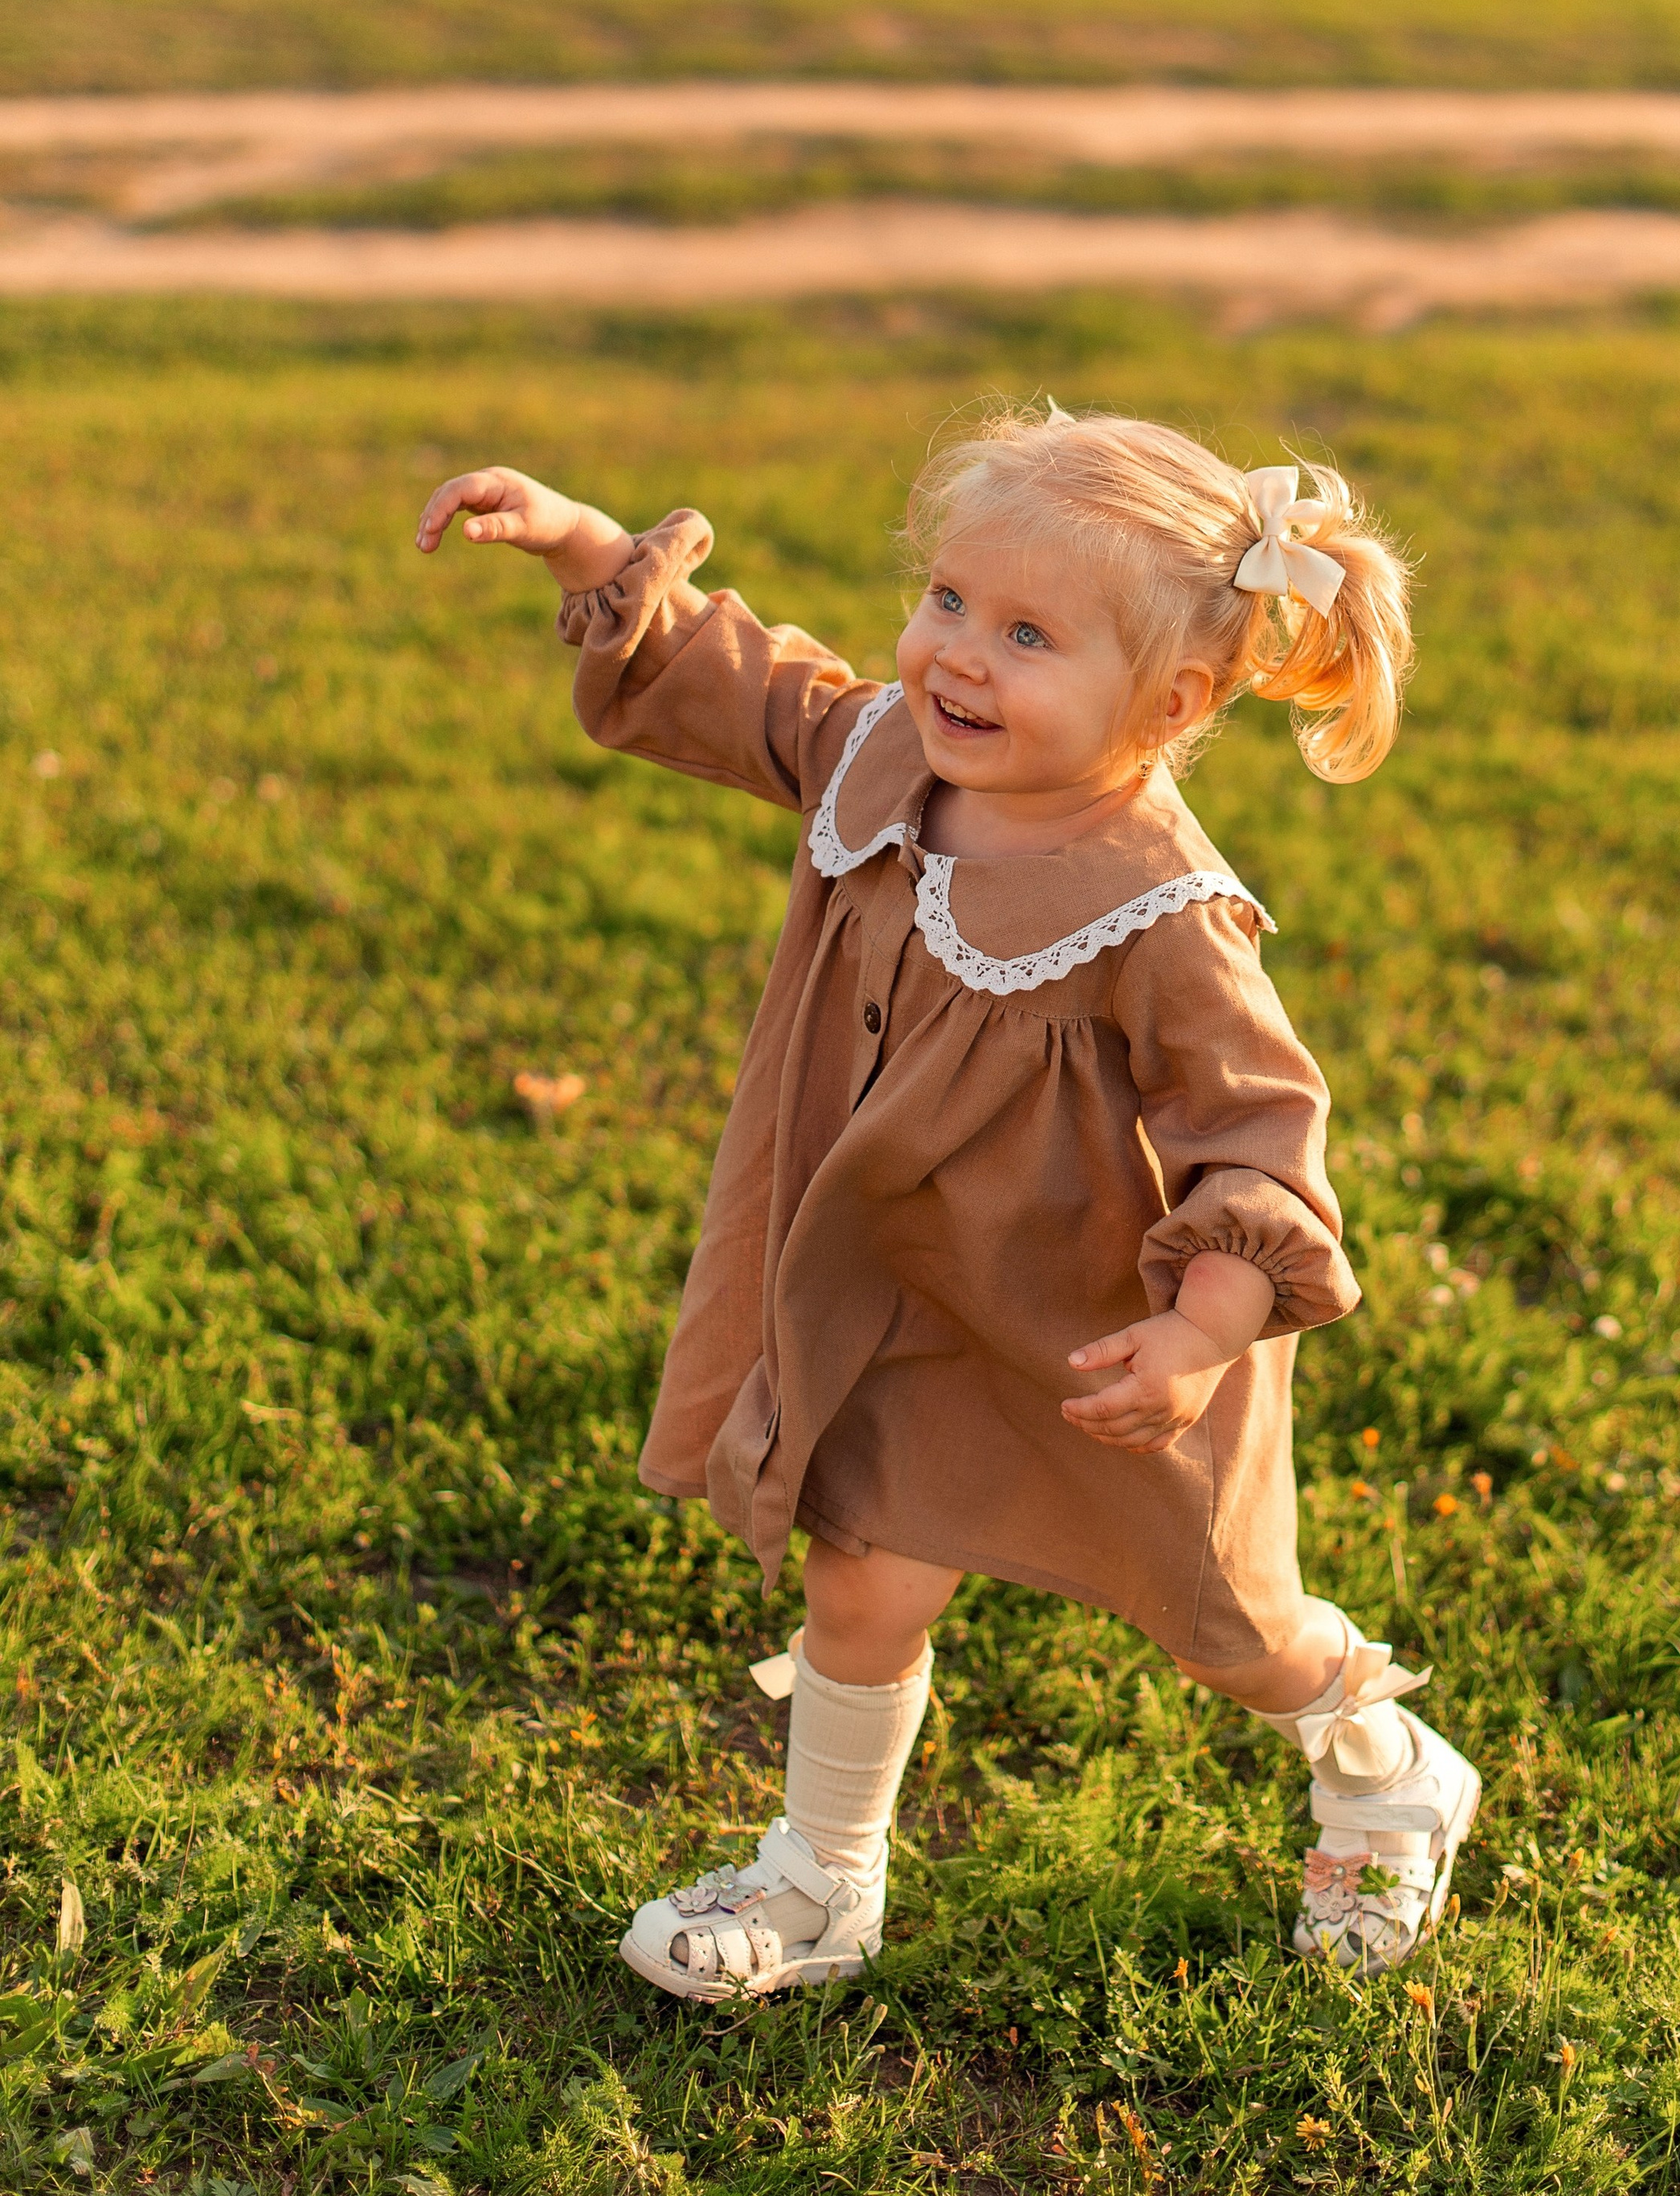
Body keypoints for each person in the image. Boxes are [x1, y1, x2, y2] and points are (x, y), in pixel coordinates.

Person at [415, 405, 1480, 1998]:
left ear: (1168, 700)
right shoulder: (879, 755)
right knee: (861, 1562)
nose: (959, 657)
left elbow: (1256, 1129)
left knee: (1222, 1616)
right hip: (900, 1289)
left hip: (1100, 1340)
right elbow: (747, 682)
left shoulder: (1161, 906)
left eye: (1028, 633)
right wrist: (584, 541)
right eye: (948, 603)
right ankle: (823, 1877)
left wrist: (1200, 1325)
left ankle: (1382, 1759)